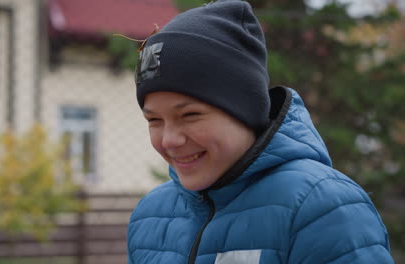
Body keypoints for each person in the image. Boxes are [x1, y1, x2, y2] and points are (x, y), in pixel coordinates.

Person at [127, 0, 394, 263]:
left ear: (245, 110)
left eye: (190, 115)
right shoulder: (150, 216)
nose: (170, 139)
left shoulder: (322, 209)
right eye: (154, 120)